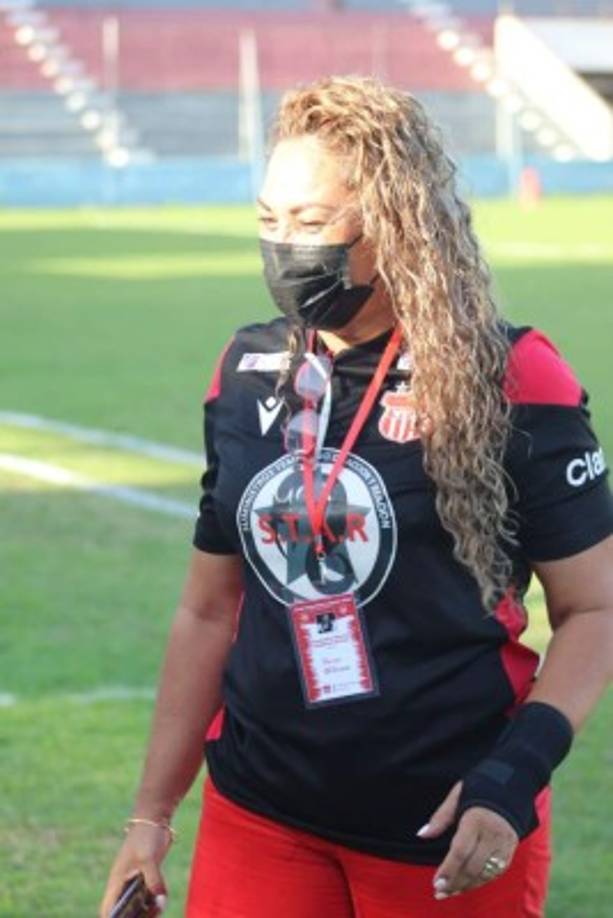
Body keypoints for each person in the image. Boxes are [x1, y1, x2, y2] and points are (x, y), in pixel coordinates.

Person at [99, 76, 613, 918]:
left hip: (444, 825)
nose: (281, 247)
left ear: (393, 223)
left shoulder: (510, 377)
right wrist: (151, 815)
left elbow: (592, 610)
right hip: (258, 812)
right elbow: (207, 611)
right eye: (267, 221)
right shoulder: (242, 371)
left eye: (310, 223)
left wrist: (513, 775)